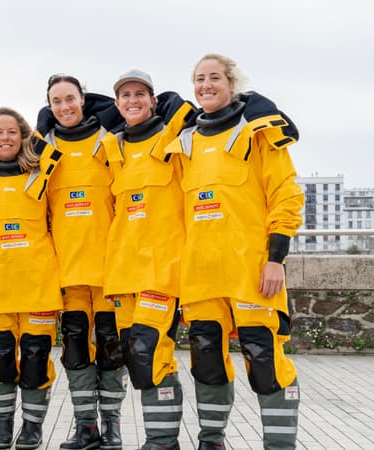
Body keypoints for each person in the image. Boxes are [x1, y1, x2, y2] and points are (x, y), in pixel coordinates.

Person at [165, 53, 304, 450]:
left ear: (231, 83)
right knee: (206, 359)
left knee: (264, 359)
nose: (205, 85)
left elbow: (286, 196)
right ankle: (211, 441)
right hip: (201, 276)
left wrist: (275, 258)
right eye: (199, 79)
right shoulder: (185, 143)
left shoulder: (258, 133)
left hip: (251, 271)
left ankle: (279, 445)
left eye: (214, 78)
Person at [101, 70, 195, 450]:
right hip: (124, 271)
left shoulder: (173, 138)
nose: (132, 100)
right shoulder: (113, 149)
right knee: (138, 359)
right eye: (125, 95)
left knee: (148, 349)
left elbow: (190, 110)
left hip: (162, 268)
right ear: (117, 104)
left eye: (140, 93)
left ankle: (161, 441)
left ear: (154, 100)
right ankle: (162, 440)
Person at [37, 75, 126, 450]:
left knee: (111, 350)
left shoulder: (110, 139)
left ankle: (113, 425)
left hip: (109, 271)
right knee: (75, 351)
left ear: (83, 99)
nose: (64, 107)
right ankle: (86, 426)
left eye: (70, 98)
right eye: (55, 101)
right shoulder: (43, 147)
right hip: (67, 273)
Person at [0, 107, 63, 450]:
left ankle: (33, 425)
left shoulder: (42, 173)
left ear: (24, 136)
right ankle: (3, 422)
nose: (5, 138)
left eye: (13, 131)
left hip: (37, 284)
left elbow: (52, 140)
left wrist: (36, 132)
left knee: (36, 359)